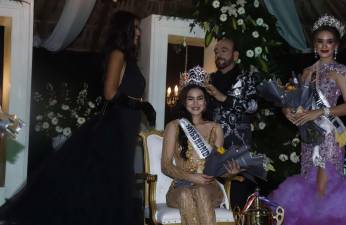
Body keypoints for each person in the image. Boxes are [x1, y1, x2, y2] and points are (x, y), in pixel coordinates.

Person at [0, 10, 154, 225]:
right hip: (116, 126)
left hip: (127, 125)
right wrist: (139, 104)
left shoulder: (129, 58)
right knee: (109, 183)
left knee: (114, 183)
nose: (139, 32)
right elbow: (109, 93)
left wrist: (139, 106)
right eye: (136, 28)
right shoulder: (118, 53)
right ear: (126, 30)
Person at [269, 15, 346, 225]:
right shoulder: (307, 72)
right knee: (309, 186)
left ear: (336, 45)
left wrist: (320, 113)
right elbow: (295, 102)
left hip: (330, 134)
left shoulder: (340, 71)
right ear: (314, 45)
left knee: (324, 188)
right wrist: (288, 111)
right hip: (310, 136)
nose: (324, 45)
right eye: (320, 41)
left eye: (329, 41)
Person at [162, 66, 240, 225]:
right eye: (190, 98)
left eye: (200, 98)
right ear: (184, 102)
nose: (195, 103)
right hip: (180, 186)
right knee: (185, 194)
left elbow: (218, 166)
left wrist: (230, 172)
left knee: (200, 191)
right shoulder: (174, 126)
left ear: (206, 101)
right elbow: (165, 165)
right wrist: (191, 177)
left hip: (209, 187)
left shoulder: (215, 128)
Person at [205, 37, 258, 209]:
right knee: (212, 199)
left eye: (224, 50)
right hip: (212, 148)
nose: (219, 54)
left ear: (235, 55)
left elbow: (252, 106)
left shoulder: (247, 78)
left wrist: (223, 98)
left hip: (238, 149)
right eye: (216, 51)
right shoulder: (209, 80)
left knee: (237, 200)